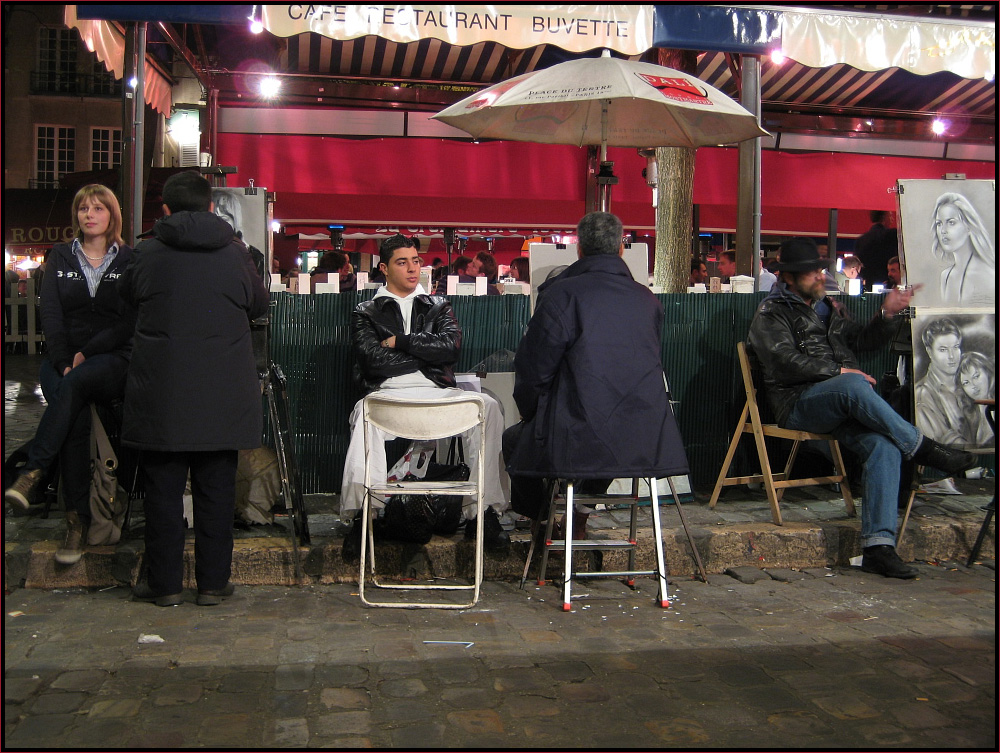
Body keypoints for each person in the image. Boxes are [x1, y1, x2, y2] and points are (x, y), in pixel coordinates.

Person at [747, 237, 976, 579]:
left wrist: (887, 315)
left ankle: (878, 547)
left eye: (820, 271)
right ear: (790, 278)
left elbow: (862, 343)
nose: (820, 277)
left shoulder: (830, 308)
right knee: (855, 384)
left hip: (841, 402)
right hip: (799, 402)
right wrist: (837, 372)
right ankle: (922, 447)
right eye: (811, 273)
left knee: (883, 446)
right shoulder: (772, 311)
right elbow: (782, 360)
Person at [120, 171, 269, 607]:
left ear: (164, 210)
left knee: (162, 496)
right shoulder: (236, 253)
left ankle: (164, 585)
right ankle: (211, 583)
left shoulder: (146, 254)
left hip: (161, 392)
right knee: (216, 493)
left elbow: (126, 299)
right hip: (223, 393)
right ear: (210, 206)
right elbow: (258, 305)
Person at [503, 212, 689, 540]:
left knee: (518, 438)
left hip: (579, 434)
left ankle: (543, 521)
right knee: (609, 438)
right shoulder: (647, 300)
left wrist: (530, 411)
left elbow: (533, 369)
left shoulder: (562, 295)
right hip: (646, 436)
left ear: (579, 252)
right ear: (620, 249)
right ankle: (580, 515)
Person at [340, 234, 510, 549]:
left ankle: (483, 513)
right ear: (384, 268)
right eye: (402, 262)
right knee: (364, 414)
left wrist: (402, 342)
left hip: (437, 394)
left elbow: (451, 348)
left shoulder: (438, 304)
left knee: (489, 408)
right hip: (389, 395)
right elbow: (373, 360)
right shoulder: (367, 310)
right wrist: (425, 354)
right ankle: (367, 515)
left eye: (415, 261)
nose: (412, 268)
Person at [5, 185, 135, 568]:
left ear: (112, 215)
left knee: (74, 387)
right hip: (65, 360)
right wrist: (64, 361)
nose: (89, 214)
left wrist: (86, 354)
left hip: (111, 357)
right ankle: (76, 521)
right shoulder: (60, 256)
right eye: (83, 208)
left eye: (98, 208)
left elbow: (129, 320)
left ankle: (33, 471)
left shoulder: (129, 259)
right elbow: (52, 317)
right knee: (74, 411)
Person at [914, 318, 973, 447]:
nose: (952, 356)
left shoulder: (970, 381)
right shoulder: (922, 394)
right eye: (943, 349)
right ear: (930, 352)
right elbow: (943, 444)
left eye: (956, 347)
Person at [930, 192, 995, 305]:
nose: (943, 230)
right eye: (939, 224)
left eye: (951, 222)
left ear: (969, 226)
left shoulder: (987, 275)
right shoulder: (946, 276)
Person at [957, 351, 996, 447]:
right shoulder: (968, 419)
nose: (973, 385)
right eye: (966, 383)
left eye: (976, 376)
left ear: (988, 373)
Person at [854, 210, 898, 288]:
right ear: (884, 217)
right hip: (888, 285)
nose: (892, 219)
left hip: (869, 285)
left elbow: (857, 264)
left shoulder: (861, 240)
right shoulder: (892, 235)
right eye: (890, 216)